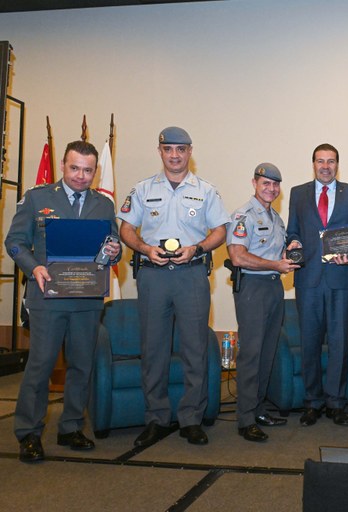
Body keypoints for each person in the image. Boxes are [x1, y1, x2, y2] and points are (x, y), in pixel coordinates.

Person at [5, 140, 121, 462]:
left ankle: (70, 427)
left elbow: (113, 249)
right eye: (74, 168)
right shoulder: (37, 198)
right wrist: (33, 267)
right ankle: (29, 432)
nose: (81, 176)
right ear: (62, 165)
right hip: (48, 297)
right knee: (40, 365)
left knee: (81, 365)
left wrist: (115, 251)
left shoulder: (104, 204)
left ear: (95, 171)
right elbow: (14, 243)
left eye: (88, 170)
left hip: (87, 299)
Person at [118, 126, 229, 446]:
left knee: (195, 349)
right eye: (168, 149)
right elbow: (126, 228)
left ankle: (191, 418)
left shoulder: (206, 190)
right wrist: (144, 248)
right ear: (160, 151)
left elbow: (221, 230)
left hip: (191, 275)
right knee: (153, 350)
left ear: (190, 152)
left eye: (181, 149)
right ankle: (156, 418)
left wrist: (198, 248)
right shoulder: (142, 189)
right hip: (153, 276)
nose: (175, 155)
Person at [286, 143, 348, 427]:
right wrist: (293, 242)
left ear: (337, 164)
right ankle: (312, 402)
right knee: (309, 343)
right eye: (320, 161)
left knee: (339, 343)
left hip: (341, 279)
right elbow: (293, 230)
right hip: (308, 279)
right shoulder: (298, 193)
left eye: (331, 161)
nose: (325, 166)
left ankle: (336, 403)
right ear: (313, 164)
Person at [226, 163, 299, 442]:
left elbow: (274, 253)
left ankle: (258, 409)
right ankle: (245, 419)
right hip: (252, 289)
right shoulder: (243, 215)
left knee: (267, 353)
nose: (271, 188)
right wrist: (275, 264)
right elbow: (238, 256)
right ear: (254, 183)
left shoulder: (276, 218)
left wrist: (289, 252)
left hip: (273, 287)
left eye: (275, 184)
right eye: (265, 183)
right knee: (252, 354)